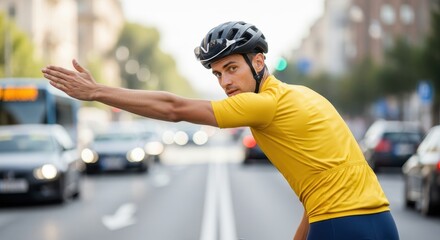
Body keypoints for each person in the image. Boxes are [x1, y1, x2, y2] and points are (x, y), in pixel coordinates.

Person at [42, 21, 400, 240]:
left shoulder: (262, 104)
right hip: (381, 225)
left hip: (340, 228)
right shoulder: (307, 97)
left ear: (259, 62)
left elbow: (174, 108)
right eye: (217, 74)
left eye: (231, 68)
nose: (225, 82)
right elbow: (322, 191)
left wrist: (97, 92)